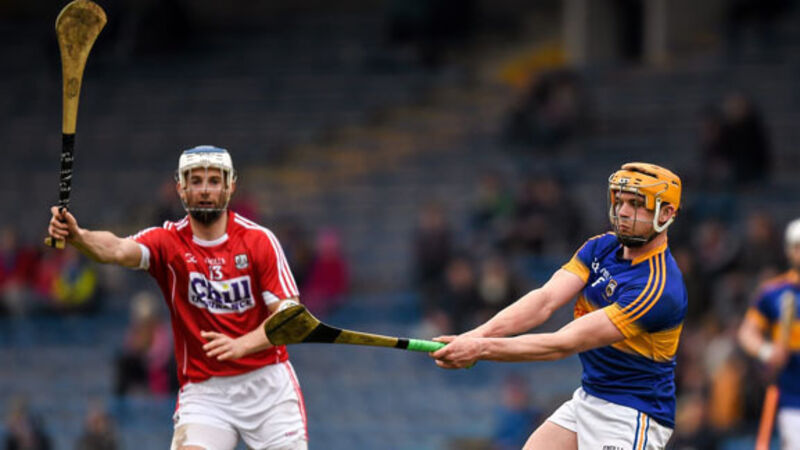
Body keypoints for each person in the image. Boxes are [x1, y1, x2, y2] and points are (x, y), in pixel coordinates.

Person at [47, 145, 307, 450]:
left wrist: (242, 344)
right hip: (205, 392)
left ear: (230, 187)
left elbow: (291, 318)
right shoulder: (168, 242)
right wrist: (80, 237)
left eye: (214, 181)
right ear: (181, 189)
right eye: (195, 181)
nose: (205, 190)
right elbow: (116, 249)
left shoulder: (259, 241)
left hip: (267, 388)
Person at [431, 162, 687, 449]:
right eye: (620, 201)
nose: (623, 211)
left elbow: (562, 344)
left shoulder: (657, 288)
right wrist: (473, 335)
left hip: (632, 415)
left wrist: (479, 349)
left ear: (666, 214)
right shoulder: (602, 247)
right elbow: (544, 300)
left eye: (637, 204)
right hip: (590, 397)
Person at [737, 217, 800, 449]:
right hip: (793, 397)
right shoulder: (774, 293)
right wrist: (767, 351)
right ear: (789, 250)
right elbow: (747, 333)